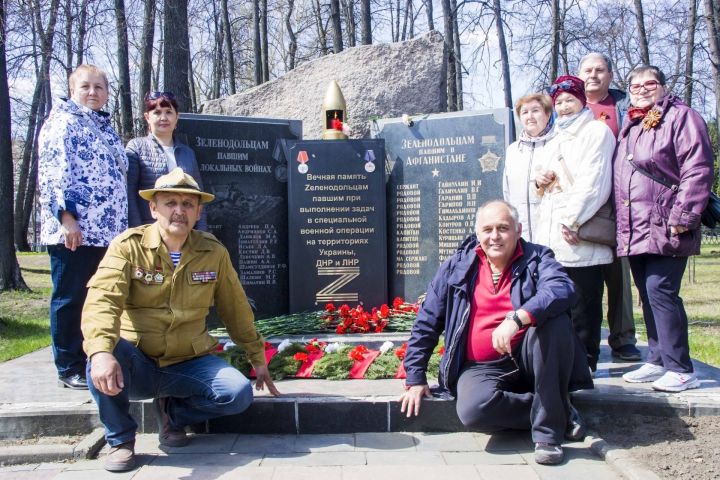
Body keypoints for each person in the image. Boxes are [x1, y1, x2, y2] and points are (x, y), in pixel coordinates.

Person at [81, 168, 280, 472]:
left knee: (237, 394)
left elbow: (235, 308)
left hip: (188, 361)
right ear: (153, 208)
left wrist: (257, 357)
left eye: (188, 204)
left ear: (199, 211)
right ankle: (121, 440)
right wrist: (100, 352)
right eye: (170, 203)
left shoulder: (212, 252)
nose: (179, 211)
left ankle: (173, 414)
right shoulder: (128, 247)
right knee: (103, 355)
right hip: (138, 360)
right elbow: (103, 300)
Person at [400, 200, 593, 466]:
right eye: (487, 229)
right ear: (477, 233)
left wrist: (519, 317)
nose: (495, 236)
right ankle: (556, 408)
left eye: (503, 228)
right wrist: (415, 376)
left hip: (532, 358)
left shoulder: (538, 258)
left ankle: (548, 435)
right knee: (473, 411)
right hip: (482, 366)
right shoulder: (457, 267)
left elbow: (562, 288)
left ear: (518, 229)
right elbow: (428, 321)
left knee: (554, 320)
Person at [614, 65, 713, 392]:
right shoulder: (632, 123)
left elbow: (697, 168)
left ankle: (681, 368)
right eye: (635, 85)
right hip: (636, 226)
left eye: (649, 83)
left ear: (663, 86)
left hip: (667, 223)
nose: (642, 89)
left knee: (661, 291)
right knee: (648, 294)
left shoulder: (682, 117)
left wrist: (683, 217)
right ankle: (657, 358)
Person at [38, 64, 128, 390]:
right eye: (85, 87)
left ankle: (95, 357)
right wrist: (67, 218)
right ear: (72, 90)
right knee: (71, 297)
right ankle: (69, 366)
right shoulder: (62, 123)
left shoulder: (103, 126)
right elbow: (54, 173)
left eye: (99, 87)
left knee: (98, 298)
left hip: (106, 232)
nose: (93, 93)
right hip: (76, 231)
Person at [534, 75, 616, 373]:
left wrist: (572, 220)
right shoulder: (555, 137)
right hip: (554, 237)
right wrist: (539, 181)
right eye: (558, 103)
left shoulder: (596, 132)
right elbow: (548, 182)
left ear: (582, 100)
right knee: (561, 305)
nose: (564, 107)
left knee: (583, 303)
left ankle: (586, 363)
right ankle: (566, 361)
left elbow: (593, 183)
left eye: (569, 100)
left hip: (579, 234)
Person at [577, 52, 641, 362]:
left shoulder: (626, 108)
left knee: (618, 274)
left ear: (610, 75)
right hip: (578, 204)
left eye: (599, 70)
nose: (593, 75)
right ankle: (579, 340)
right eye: (587, 70)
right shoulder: (565, 106)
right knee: (579, 276)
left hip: (618, 204)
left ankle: (623, 337)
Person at [126, 91, 207, 230]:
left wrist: (201, 233)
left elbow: (199, 196)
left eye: (169, 112)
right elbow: (129, 195)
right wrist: (137, 232)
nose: (163, 117)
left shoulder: (188, 153)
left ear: (177, 117)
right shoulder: (136, 147)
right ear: (147, 117)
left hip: (183, 232)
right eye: (157, 112)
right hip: (149, 231)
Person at [503, 93, 555, 242]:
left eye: (536, 111)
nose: (530, 116)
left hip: (551, 232)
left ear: (548, 113)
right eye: (525, 112)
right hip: (521, 233)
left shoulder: (558, 143)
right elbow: (507, 192)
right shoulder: (512, 151)